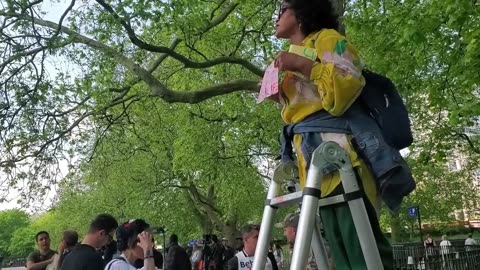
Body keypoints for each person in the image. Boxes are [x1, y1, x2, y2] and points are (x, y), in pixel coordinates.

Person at [271, 0, 394, 269]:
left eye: (281, 9)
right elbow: (303, 106)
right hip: (311, 162)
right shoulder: (293, 51)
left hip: (341, 155)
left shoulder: (328, 39)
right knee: (338, 248)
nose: (276, 17)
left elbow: (347, 84)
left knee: (361, 245)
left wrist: (304, 66)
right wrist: (277, 95)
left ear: (301, 11)